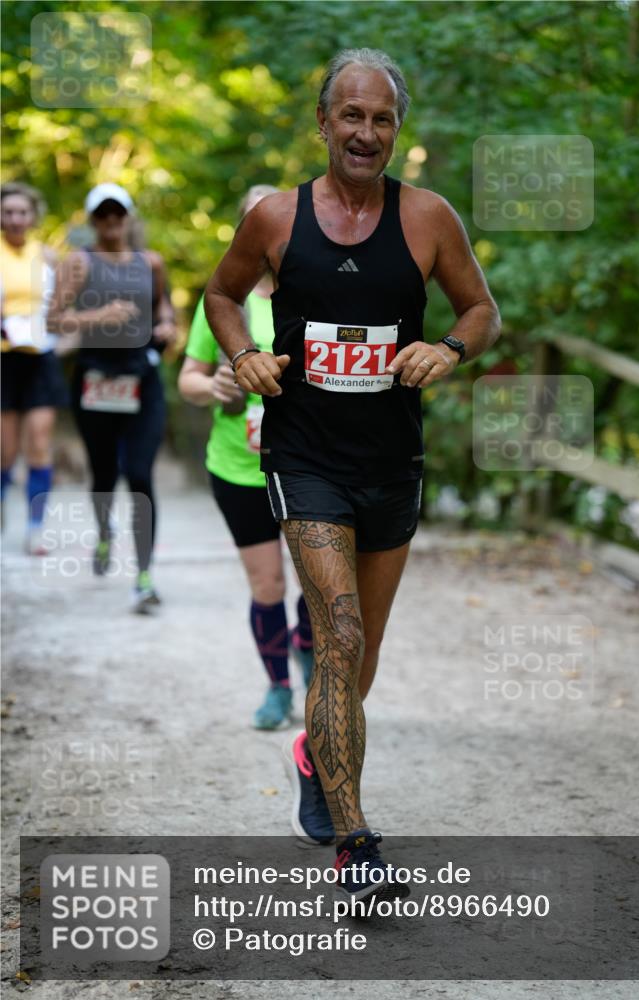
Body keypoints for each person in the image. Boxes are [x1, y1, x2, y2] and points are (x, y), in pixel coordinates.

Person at [204, 49, 501, 905]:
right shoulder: (272, 217)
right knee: (335, 635)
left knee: (356, 657)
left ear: (394, 132)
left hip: (390, 464)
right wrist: (246, 353)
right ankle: (357, 844)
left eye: (380, 120)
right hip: (303, 459)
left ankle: (313, 750)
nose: (364, 132)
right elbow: (222, 296)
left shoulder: (427, 218)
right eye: (351, 116)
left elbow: (480, 310)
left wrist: (444, 348)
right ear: (324, 123)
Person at [179, 185, 317, 740]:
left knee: (317, 582)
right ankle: (278, 686)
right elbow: (188, 377)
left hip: (308, 463)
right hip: (239, 467)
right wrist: (211, 385)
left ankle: (313, 672)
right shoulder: (222, 298)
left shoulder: (315, 292)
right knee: (268, 587)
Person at [48, 183, 177, 613]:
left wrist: (166, 328)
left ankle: (144, 576)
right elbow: (54, 320)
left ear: (128, 217)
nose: (110, 223)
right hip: (96, 380)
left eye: (117, 214)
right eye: (102, 216)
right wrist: (97, 316)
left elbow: (164, 310)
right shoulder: (78, 263)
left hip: (142, 379)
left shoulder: (151, 263)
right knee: (104, 476)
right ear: (93, 221)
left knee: (140, 474)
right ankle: (105, 535)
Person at [1, 182, 67, 553]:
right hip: (4, 358)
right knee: (5, 451)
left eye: (21, 212)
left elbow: (59, 307)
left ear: (32, 216)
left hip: (41, 356)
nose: (14, 219)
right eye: (8, 212)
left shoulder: (46, 256)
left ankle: (36, 526)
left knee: (39, 443)